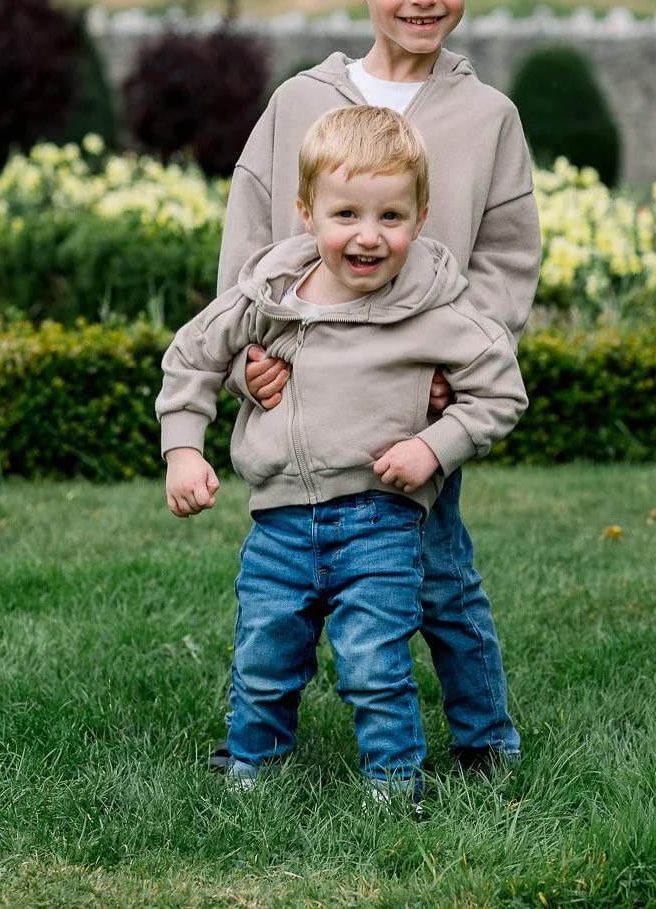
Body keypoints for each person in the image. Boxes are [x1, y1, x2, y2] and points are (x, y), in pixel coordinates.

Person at [214, 0, 542, 775]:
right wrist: (248, 361)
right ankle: (259, 739)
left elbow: (507, 259)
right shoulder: (297, 105)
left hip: (415, 411)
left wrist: (455, 375)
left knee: (440, 578)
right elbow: (250, 247)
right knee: (284, 588)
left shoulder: (488, 118)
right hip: (306, 400)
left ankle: (486, 741)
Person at [157, 106, 526, 799]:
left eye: (391, 216)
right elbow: (191, 356)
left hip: (379, 519)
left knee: (372, 661)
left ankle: (393, 781)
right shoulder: (268, 295)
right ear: (306, 213)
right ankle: (252, 764)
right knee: (265, 650)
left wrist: (434, 446)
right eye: (346, 214)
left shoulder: (437, 310)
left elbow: (501, 391)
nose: (368, 235)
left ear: (420, 218)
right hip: (279, 522)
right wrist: (183, 449)